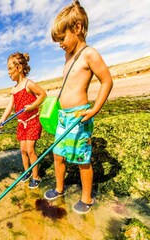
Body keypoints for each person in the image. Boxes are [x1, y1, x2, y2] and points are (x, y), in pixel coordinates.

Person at [43, 0, 113, 214]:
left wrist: (94, 110)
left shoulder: (90, 54)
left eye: (62, 38)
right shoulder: (68, 56)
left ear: (78, 28)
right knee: (58, 155)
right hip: (63, 116)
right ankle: (59, 188)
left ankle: (87, 198)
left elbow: (107, 81)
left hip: (79, 115)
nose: (60, 44)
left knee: (82, 159)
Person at [0, 52, 47, 189]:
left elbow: (43, 94)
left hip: (32, 121)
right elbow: (10, 106)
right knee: (23, 150)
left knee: (30, 150)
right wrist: (2, 119)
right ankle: (27, 172)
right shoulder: (13, 89)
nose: (8, 72)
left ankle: (36, 177)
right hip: (21, 124)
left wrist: (32, 106)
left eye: (9, 68)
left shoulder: (28, 84)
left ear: (19, 68)